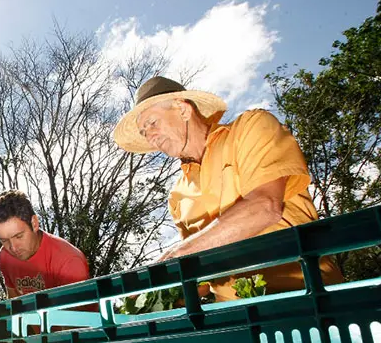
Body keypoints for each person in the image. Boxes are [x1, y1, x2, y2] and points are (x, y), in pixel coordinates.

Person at [112, 76, 343, 301]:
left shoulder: (251, 128)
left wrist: (175, 256)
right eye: (144, 132)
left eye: (152, 123)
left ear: (183, 110)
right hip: (235, 320)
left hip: (308, 297)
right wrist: (151, 297)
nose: (150, 136)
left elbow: (265, 207)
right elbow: (199, 276)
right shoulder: (177, 196)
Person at [0, 190, 90, 298]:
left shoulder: (69, 261)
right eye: (4, 240)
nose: (13, 248)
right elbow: (14, 304)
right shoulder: (5, 257)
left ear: (34, 223)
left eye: (19, 236)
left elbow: (76, 313)